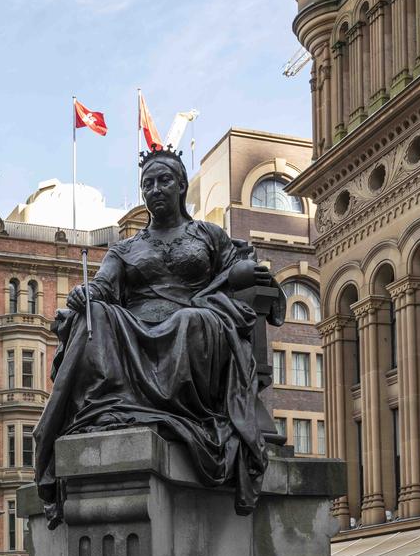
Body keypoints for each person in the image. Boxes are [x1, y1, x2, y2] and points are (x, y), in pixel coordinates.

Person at [34, 146, 284, 526]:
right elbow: (103, 287)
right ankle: (112, 411)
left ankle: (174, 408)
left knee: (191, 321)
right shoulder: (126, 248)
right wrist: (86, 295)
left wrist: (244, 273)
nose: (154, 189)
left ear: (181, 186)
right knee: (96, 315)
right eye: (146, 184)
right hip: (135, 328)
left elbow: (238, 267)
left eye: (163, 180)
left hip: (197, 321)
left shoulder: (208, 235)